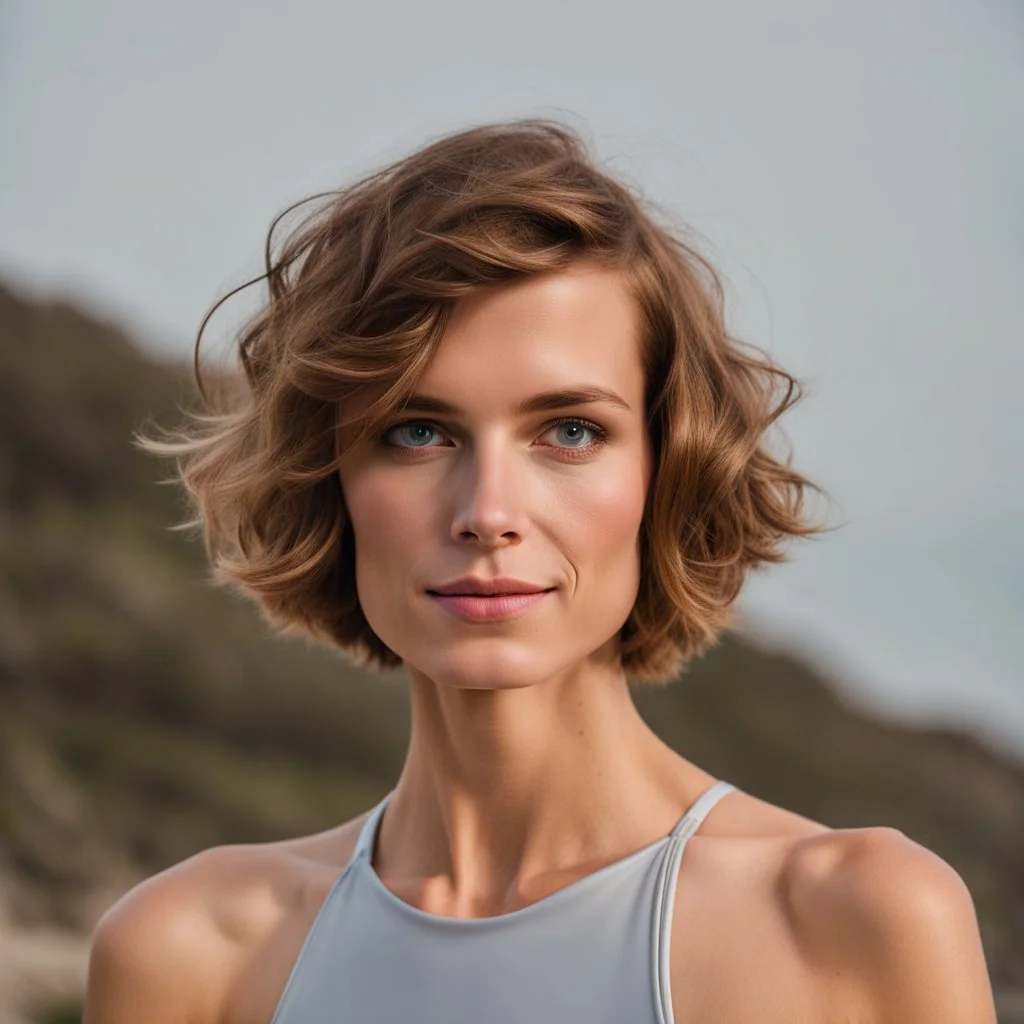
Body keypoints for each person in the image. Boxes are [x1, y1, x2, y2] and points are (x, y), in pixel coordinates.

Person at [84, 119, 997, 1023]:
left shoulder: (856, 920)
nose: (487, 512)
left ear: (666, 471)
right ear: (329, 477)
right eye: (416, 431)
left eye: (570, 432)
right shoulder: (191, 951)